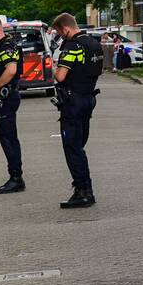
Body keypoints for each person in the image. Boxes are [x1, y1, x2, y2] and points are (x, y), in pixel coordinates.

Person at [51, 13, 103, 209]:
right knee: (79, 146)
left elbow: (61, 76)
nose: (60, 36)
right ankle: (83, 188)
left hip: (73, 102)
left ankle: (83, 191)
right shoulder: (93, 44)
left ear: (65, 29)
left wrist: (56, 67)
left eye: (59, 32)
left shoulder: (73, 46)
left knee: (72, 147)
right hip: (88, 98)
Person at [0, 17, 24, 194]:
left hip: (7, 96)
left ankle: (16, 178)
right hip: (2, 97)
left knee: (9, 139)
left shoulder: (7, 45)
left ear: (0, 29)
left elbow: (11, 70)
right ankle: (15, 176)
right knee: (6, 138)